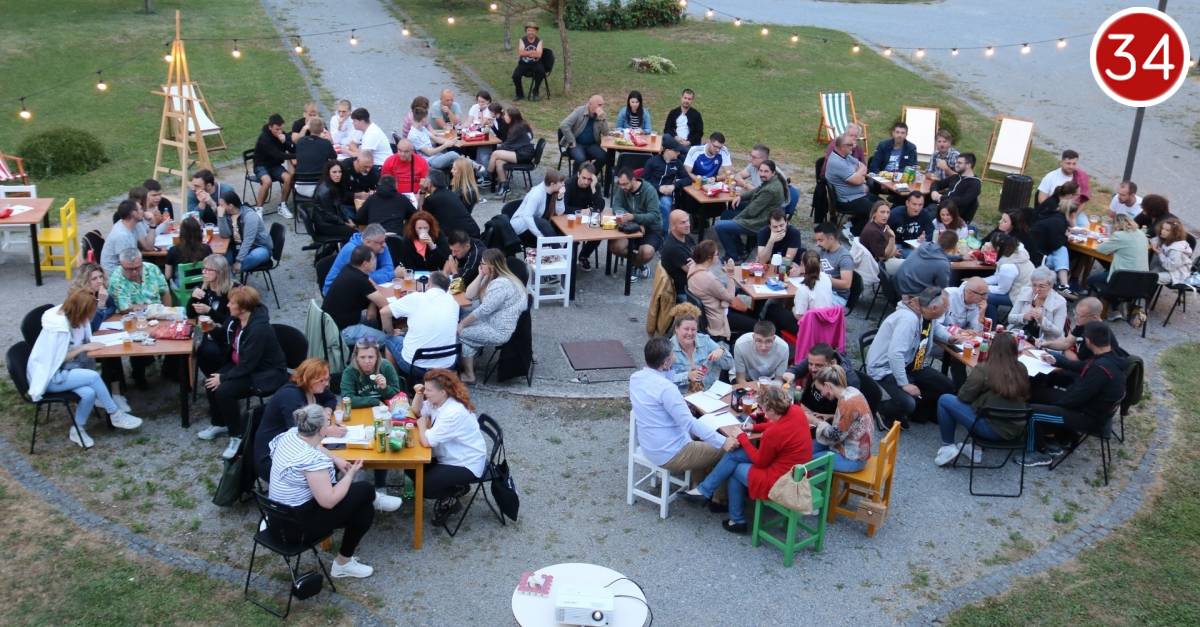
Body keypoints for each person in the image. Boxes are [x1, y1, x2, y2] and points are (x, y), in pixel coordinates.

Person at [266, 404, 377, 579]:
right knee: (366, 492)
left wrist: (336, 458)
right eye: (327, 422)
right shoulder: (312, 460)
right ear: (321, 429)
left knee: (364, 507)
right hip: (294, 529)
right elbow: (328, 501)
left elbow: (316, 446)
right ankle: (342, 564)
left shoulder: (291, 435)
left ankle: (344, 562)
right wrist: (351, 474)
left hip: (275, 516)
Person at [684, 385, 812, 534]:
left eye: (763, 408)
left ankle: (735, 518)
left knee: (735, 469)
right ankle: (709, 494)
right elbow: (776, 424)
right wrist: (753, 428)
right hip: (796, 470)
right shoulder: (796, 411)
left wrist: (742, 437)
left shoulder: (773, 434)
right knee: (735, 454)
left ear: (771, 409)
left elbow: (760, 461)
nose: (763, 411)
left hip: (781, 481)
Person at [26, 289, 144, 448]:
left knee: (89, 393)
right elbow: (56, 359)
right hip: (50, 377)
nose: (90, 317)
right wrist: (83, 348)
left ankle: (77, 429)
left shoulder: (72, 319)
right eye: (88, 313)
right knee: (93, 377)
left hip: (63, 370)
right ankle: (115, 414)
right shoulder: (58, 329)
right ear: (80, 311)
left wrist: (85, 346)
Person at [200, 286, 288, 459]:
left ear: (242, 308)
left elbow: (249, 364)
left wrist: (224, 377)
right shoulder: (236, 321)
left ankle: (237, 435)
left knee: (224, 391)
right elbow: (226, 338)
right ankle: (220, 423)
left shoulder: (258, 330)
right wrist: (213, 329)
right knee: (210, 381)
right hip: (242, 365)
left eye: (231, 303)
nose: (227, 305)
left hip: (265, 373)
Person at [630, 337, 737, 480]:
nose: (675, 357)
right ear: (665, 363)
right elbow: (689, 423)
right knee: (728, 451)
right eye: (672, 355)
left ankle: (697, 482)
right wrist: (724, 442)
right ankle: (709, 491)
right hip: (670, 452)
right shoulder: (667, 389)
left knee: (706, 435)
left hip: (649, 445)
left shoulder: (635, 378)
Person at [1024, 322, 1126, 466]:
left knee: (1032, 411)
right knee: (1037, 393)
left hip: (1088, 417)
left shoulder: (1100, 370)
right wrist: (1056, 360)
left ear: (1088, 341)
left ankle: (1036, 452)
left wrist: (1053, 406)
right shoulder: (1110, 358)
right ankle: (1055, 437)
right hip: (1090, 408)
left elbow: (1074, 400)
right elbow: (1081, 366)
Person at [934, 332, 1030, 466]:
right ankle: (975, 449)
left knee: (945, 400)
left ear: (992, 348)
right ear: (1015, 350)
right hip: (1015, 429)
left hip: (991, 429)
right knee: (984, 402)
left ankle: (948, 446)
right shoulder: (1022, 368)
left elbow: (963, 396)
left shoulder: (984, 369)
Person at [865, 287, 956, 429]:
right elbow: (895, 354)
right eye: (945, 307)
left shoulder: (926, 313)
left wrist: (950, 338)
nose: (947, 310)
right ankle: (880, 408)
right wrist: (904, 384)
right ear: (934, 308)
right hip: (886, 367)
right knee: (908, 402)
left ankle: (918, 413)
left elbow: (936, 327)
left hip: (912, 363)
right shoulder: (908, 320)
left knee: (946, 385)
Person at [411, 369, 489, 524]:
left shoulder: (453, 412)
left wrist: (422, 426)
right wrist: (418, 394)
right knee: (411, 465)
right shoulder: (438, 401)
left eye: (428, 390)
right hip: (449, 455)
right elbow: (416, 410)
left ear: (443, 392)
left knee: (423, 487)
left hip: (465, 463)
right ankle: (453, 488)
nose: (425, 392)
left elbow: (426, 442)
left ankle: (451, 498)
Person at [253, 359, 337, 479]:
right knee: (330, 460)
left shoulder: (313, 387)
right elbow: (300, 435)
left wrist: (327, 411)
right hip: (273, 459)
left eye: (327, 379)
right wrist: (327, 431)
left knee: (333, 456)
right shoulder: (291, 397)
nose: (326, 383)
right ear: (308, 379)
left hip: (295, 449)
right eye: (322, 380)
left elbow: (331, 399)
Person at [457, 250, 527, 383]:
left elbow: (483, 310)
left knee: (460, 333)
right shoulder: (499, 278)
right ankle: (470, 364)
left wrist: (462, 324)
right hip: (494, 322)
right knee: (464, 323)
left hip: (498, 330)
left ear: (492, 266)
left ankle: (469, 374)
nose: (480, 265)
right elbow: (469, 295)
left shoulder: (501, 285)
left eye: (482, 263)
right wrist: (481, 275)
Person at [380, 272, 460, 375]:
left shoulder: (416, 298)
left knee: (388, 338)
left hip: (415, 366)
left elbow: (384, 312)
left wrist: (391, 332)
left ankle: (395, 381)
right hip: (448, 365)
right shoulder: (454, 303)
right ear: (447, 288)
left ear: (429, 284)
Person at [714, 160, 787, 263]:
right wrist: (741, 196)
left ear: (773, 172)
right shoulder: (772, 181)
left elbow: (752, 211)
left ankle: (733, 257)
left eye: (766, 171)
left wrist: (736, 220)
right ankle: (741, 250)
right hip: (760, 215)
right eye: (761, 171)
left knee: (719, 226)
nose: (762, 174)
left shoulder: (770, 190)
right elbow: (756, 190)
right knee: (726, 215)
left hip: (759, 222)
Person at [808, 365, 873, 473]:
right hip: (855, 450)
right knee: (807, 449)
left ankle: (824, 483)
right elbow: (851, 421)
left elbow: (835, 436)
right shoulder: (852, 392)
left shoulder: (847, 403)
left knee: (808, 460)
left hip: (853, 459)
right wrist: (830, 417)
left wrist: (815, 421)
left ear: (827, 386)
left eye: (820, 390)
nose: (822, 394)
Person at [687, 241, 755, 342]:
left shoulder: (693, 267)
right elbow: (730, 298)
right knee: (755, 325)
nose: (719, 257)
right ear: (709, 258)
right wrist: (730, 274)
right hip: (718, 318)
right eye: (717, 254)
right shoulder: (709, 279)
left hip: (709, 312)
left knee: (748, 312)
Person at [188, 254, 237, 384]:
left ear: (220, 272)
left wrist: (209, 311)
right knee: (195, 348)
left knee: (208, 351)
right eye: (203, 268)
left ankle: (220, 379)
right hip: (207, 331)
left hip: (226, 335)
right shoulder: (205, 286)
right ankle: (210, 379)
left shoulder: (233, 291)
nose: (204, 272)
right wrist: (192, 298)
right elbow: (190, 315)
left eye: (208, 269)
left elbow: (232, 322)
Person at [1090, 214, 1150, 318]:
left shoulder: (1119, 235)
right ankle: (1120, 304)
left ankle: (1115, 307)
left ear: (1116, 225)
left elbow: (1100, 249)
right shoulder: (1141, 233)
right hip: (1142, 280)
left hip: (1123, 279)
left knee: (1091, 280)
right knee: (1106, 273)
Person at [783, 344, 867, 419]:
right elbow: (794, 370)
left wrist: (829, 417)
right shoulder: (817, 359)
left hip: (825, 420)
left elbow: (850, 415)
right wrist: (790, 374)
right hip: (808, 409)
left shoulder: (850, 381)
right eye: (810, 364)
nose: (813, 369)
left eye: (818, 365)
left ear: (832, 363)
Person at [322, 245, 391, 334]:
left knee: (375, 322)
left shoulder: (348, 268)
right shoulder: (360, 279)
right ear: (365, 264)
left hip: (330, 324)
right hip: (342, 331)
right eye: (374, 259)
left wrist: (373, 302)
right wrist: (390, 333)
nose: (376, 261)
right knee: (392, 339)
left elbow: (373, 286)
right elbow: (385, 304)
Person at [609, 168, 666, 270]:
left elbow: (654, 215)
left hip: (650, 229)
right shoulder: (623, 188)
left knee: (646, 252)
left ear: (633, 180)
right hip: (632, 226)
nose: (622, 187)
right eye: (620, 184)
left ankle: (634, 266)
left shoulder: (649, 190)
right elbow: (616, 206)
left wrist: (634, 217)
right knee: (615, 247)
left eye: (625, 184)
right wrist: (634, 221)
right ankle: (638, 264)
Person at [322, 224, 401, 295]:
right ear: (367, 242)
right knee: (384, 300)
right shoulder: (353, 251)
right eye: (381, 243)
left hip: (360, 285)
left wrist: (376, 276)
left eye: (384, 241)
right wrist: (392, 275)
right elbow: (363, 280)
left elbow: (388, 268)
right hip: (337, 292)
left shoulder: (380, 243)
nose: (384, 245)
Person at [825, 133, 877, 235]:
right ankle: (852, 233)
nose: (853, 146)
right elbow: (858, 180)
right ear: (841, 147)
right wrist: (860, 176)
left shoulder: (846, 156)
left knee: (881, 204)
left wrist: (858, 174)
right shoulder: (837, 162)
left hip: (857, 195)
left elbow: (863, 166)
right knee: (876, 210)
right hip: (847, 200)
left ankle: (853, 223)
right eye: (850, 144)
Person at [1031, 181, 1077, 295]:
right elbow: (1055, 244)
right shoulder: (1058, 222)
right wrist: (1066, 237)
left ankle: (1063, 285)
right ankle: (1063, 284)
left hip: (1037, 251)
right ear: (1071, 215)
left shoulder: (1055, 216)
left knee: (1061, 252)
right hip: (1038, 257)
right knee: (1062, 250)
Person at [668, 310, 732, 392]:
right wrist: (687, 376)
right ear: (677, 329)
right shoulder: (668, 348)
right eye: (686, 329)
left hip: (710, 391)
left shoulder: (705, 341)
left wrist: (721, 351)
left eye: (693, 329)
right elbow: (664, 379)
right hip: (683, 396)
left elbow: (729, 364)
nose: (690, 333)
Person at [216, 189, 272, 274]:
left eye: (221, 205)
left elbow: (248, 240)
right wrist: (220, 217)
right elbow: (225, 235)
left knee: (256, 256)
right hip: (237, 247)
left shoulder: (250, 216)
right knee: (221, 259)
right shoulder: (226, 215)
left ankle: (228, 275)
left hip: (258, 247)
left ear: (230, 206)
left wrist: (239, 260)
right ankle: (227, 275)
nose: (219, 208)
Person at [641, 137, 691, 231]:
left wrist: (674, 186)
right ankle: (651, 230)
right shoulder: (652, 161)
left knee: (665, 204)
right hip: (651, 192)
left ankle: (663, 234)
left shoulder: (677, 163)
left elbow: (688, 179)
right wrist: (658, 188)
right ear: (668, 151)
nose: (679, 153)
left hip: (666, 194)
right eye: (676, 151)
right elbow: (643, 181)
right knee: (656, 205)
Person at [984, 233, 1034, 322]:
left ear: (998, 248)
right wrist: (981, 281)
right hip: (1027, 290)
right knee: (986, 289)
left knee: (987, 297)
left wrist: (982, 287)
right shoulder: (1018, 253)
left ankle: (992, 326)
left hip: (1021, 297)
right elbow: (999, 277)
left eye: (992, 246)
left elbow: (1002, 290)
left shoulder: (1008, 266)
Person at [252, 113, 295, 217]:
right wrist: (298, 155)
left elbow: (293, 148)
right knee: (267, 181)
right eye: (276, 129)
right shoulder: (264, 138)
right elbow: (278, 155)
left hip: (274, 165)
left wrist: (286, 141)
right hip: (261, 165)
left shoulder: (282, 135)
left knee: (289, 178)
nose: (279, 131)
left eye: (281, 129)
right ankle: (258, 209)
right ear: (270, 127)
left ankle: (283, 206)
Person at [1008, 267, 1068, 340]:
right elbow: (1010, 318)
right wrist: (1024, 317)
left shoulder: (1060, 302)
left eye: (1041, 286)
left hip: (1045, 342)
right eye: (1034, 285)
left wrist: (1042, 320)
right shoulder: (1025, 292)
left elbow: (1058, 332)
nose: (1037, 289)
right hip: (1020, 334)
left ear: (1051, 286)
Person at [487, 107, 535, 196]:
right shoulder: (517, 125)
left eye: (506, 115)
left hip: (524, 154)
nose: (504, 117)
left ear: (511, 117)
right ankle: (505, 188)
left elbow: (508, 144)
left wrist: (498, 149)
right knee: (499, 161)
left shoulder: (518, 128)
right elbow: (508, 143)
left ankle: (487, 176)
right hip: (520, 151)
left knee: (495, 154)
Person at [893, 230, 956, 296]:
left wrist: (958, 257)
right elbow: (943, 288)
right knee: (946, 293)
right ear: (953, 247)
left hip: (897, 285)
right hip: (912, 294)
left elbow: (939, 254)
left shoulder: (924, 245)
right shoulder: (943, 264)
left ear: (939, 238)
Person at [422, 170, 480, 239]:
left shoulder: (431, 199)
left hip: (462, 239)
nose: (423, 181)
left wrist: (422, 191)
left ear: (429, 182)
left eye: (425, 179)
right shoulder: (451, 193)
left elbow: (420, 215)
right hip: (472, 232)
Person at [510, 170, 565, 241]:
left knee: (560, 229)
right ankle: (554, 245)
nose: (563, 184)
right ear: (552, 184)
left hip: (541, 225)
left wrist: (560, 199)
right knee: (544, 224)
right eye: (561, 182)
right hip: (524, 228)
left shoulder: (556, 192)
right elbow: (527, 216)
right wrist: (539, 236)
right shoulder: (536, 194)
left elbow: (560, 213)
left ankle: (558, 245)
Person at [559, 94, 610, 169]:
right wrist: (571, 140)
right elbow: (564, 125)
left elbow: (606, 133)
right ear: (590, 104)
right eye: (599, 105)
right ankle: (576, 175)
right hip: (577, 144)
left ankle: (591, 174)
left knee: (604, 157)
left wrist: (602, 118)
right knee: (580, 159)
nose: (601, 108)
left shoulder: (600, 115)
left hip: (592, 145)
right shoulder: (579, 111)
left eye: (602, 105)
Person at [101, 200, 152, 275]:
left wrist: (152, 224)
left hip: (127, 268)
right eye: (141, 209)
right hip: (115, 276)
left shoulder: (132, 225)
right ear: (134, 213)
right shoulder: (122, 236)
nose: (143, 212)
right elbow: (129, 265)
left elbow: (148, 247)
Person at [929, 152, 981, 223]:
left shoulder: (975, 183)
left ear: (968, 165)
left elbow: (963, 201)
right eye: (956, 162)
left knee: (924, 217)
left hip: (953, 216)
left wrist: (941, 198)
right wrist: (934, 191)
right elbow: (937, 184)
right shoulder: (956, 177)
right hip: (939, 208)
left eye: (959, 163)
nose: (956, 165)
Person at [312, 159, 357, 241]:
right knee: (356, 234)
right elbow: (328, 215)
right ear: (328, 173)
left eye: (340, 172)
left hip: (332, 221)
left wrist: (348, 219)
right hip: (325, 225)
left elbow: (339, 208)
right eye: (334, 172)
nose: (338, 175)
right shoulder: (325, 191)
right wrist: (346, 223)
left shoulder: (333, 185)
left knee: (356, 223)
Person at [812, 222, 855, 305]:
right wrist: (801, 269)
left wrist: (822, 278)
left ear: (831, 238)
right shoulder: (823, 249)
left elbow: (846, 284)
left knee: (807, 301)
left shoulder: (844, 257)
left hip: (837, 296)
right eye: (817, 240)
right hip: (822, 289)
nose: (818, 244)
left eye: (820, 240)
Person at [163, 217, 212, 286]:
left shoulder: (173, 250)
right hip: (202, 286)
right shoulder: (207, 249)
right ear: (199, 232)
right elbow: (212, 268)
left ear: (181, 233)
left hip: (181, 287)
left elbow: (167, 276)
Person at [660, 209, 696, 297]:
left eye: (688, 221)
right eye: (683, 222)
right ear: (673, 226)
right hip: (685, 291)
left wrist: (696, 263)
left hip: (693, 285)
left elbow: (698, 254)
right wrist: (699, 264)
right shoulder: (674, 248)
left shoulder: (686, 237)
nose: (688, 225)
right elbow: (695, 273)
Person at [791, 249, 835, 319]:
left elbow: (799, 316)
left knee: (775, 309)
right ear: (820, 264)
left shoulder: (803, 289)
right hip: (827, 319)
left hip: (811, 323)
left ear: (802, 264)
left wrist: (793, 309)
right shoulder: (826, 277)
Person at [1150, 217, 1193, 285]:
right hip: (1163, 267)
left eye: (1167, 230)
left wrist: (1160, 253)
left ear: (1175, 233)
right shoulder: (1166, 238)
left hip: (1175, 274)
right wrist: (1154, 243)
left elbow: (1170, 267)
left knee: (1149, 278)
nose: (1162, 231)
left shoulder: (1176, 249)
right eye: (1162, 228)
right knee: (1145, 274)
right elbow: (1155, 240)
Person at [512, 22, 545, 101]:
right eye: (529, 30)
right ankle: (520, 94)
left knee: (541, 72)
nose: (530, 32)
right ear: (526, 31)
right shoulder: (522, 40)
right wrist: (532, 52)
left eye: (532, 30)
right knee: (515, 76)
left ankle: (535, 92)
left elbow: (539, 55)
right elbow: (521, 53)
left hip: (536, 63)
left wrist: (526, 53)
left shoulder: (539, 41)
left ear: (536, 31)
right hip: (523, 63)